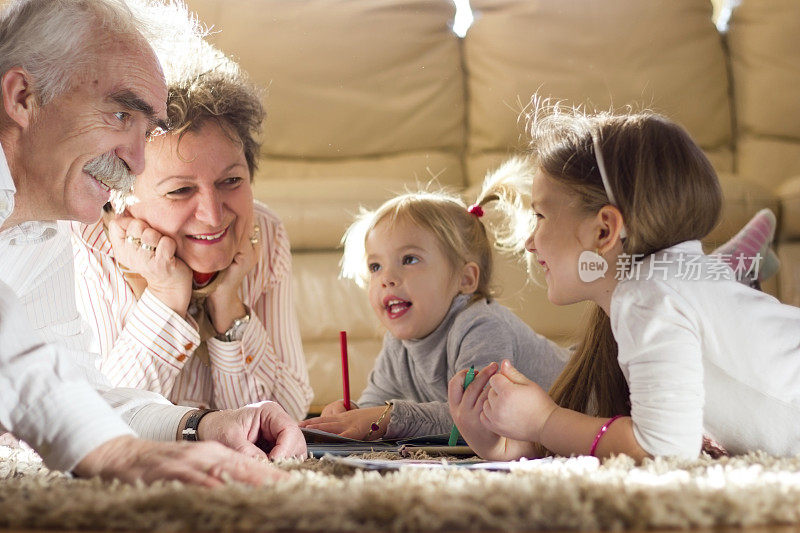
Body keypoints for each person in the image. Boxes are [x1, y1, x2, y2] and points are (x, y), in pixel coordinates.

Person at [0, 0, 304, 484]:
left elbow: (73, 388)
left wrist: (198, 426)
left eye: (148, 130)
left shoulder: (42, 226)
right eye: (121, 115)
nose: (137, 165)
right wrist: (114, 452)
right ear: (22, 97)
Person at [448, 106, 800, 461]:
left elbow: (662, 449)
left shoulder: (648, 297)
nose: (530, 241)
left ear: (604, 230)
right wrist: (506, 442)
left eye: (540, 216)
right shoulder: (652, 293)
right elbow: (603, 429)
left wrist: (544, 420)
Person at [70, 45, 312, 420]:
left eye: (231, 180)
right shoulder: (85, 245)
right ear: (121, 200)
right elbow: (94, 425)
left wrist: (229, 307)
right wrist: (166, 298)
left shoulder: (264, 232)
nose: (214, 217)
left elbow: (288, 416)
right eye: (180, 190)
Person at [300, 183, 569, 440]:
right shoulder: (397, 346)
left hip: (594, 402)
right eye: (375, 266)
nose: (387, 278)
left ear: (465, 280)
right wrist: (354, 416)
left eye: (409, 259)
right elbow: (376, 403)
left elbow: (480, 419)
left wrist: (387, 418)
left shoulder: (482, 326)